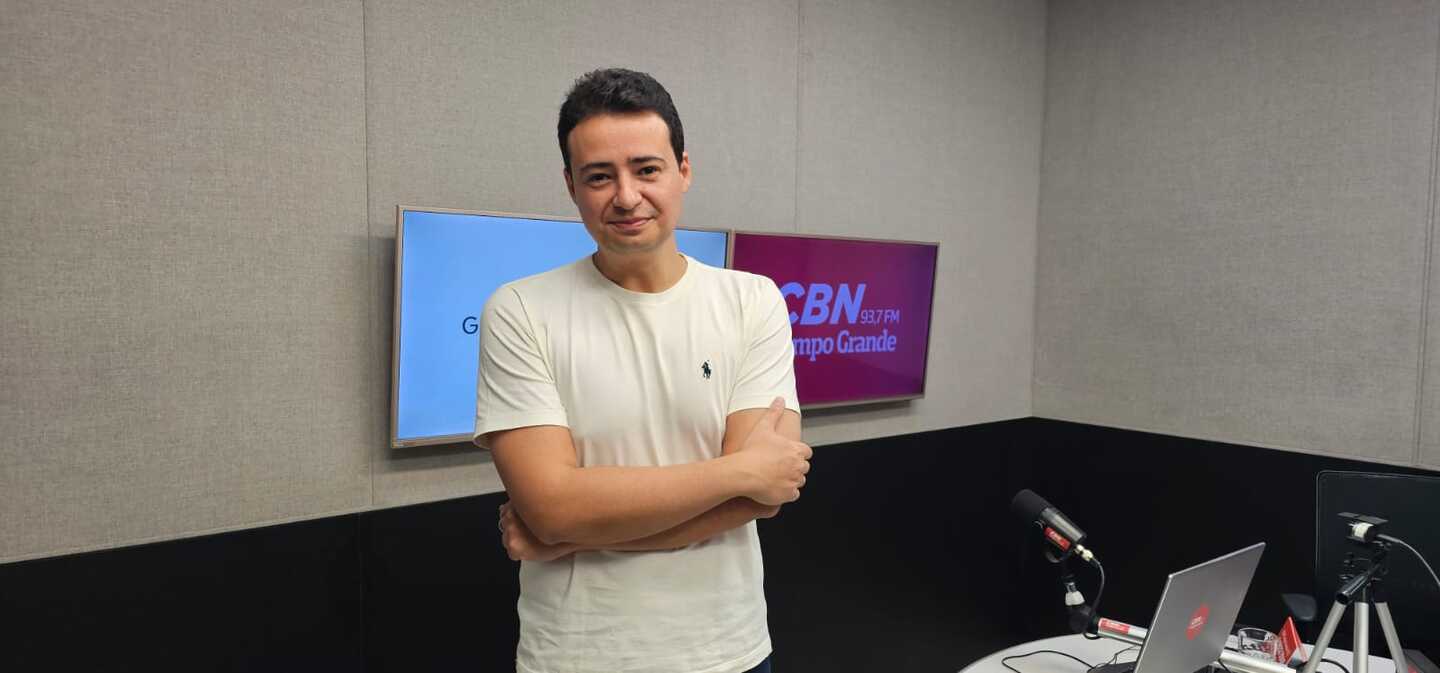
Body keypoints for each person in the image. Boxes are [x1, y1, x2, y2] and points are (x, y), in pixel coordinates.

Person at [472, 68, 812, 673]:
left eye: (646, 169)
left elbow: (764, 499)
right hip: (579, 657)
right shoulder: (521, 309)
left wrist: (571, 536)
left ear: (684, 169)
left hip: (729, 652)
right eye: (599, 176)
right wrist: (738, 470)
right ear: (571, 185)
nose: (625, 196)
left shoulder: (752, 300)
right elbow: (551, 507)